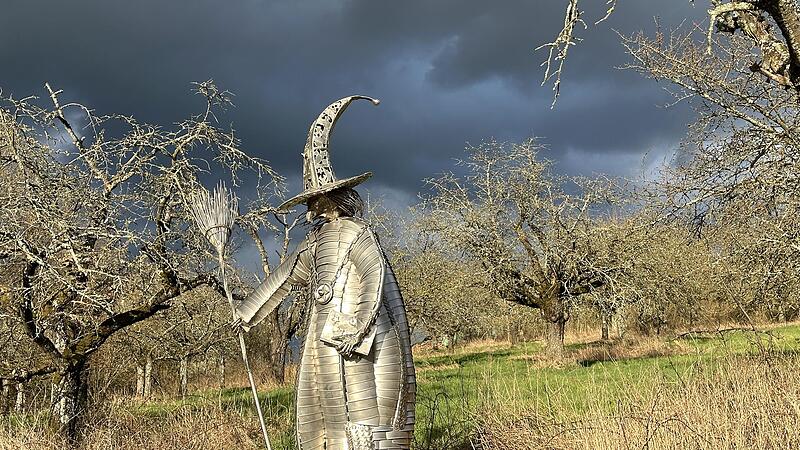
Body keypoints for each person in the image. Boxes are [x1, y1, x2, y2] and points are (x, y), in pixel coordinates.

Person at [234, 96, 415, 450]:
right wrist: (247, 313)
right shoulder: (314, 242)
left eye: (316, 199)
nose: (311, 206)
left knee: (368, 412)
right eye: (309, 200)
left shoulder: (358, 233)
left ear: (334, 196)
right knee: (326, 409)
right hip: (323, 336)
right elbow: (284, 277)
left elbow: (373, 275)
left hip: (363, 338)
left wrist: (360, 324)